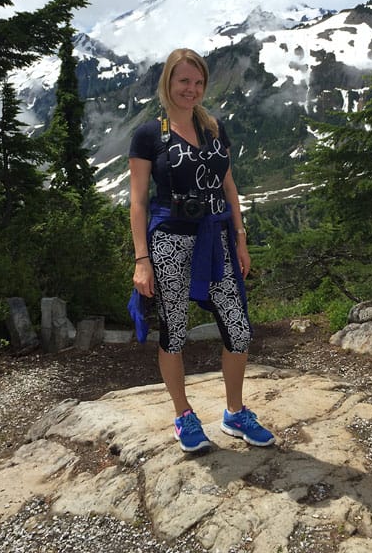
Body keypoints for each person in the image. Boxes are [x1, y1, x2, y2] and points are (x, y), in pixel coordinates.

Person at [128, 48, 274, 453]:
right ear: (168, 84)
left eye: (198, 83)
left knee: (238, 327)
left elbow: (229, 186)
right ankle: (183, 415)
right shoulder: (148, 134)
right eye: (183, 82)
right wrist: (142, 260)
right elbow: (138, 202)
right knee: (174, 331)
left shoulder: (213, 128)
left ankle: (234, 411)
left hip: (215, 238)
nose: (190, 90)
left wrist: (240, 237)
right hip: (170, 241)